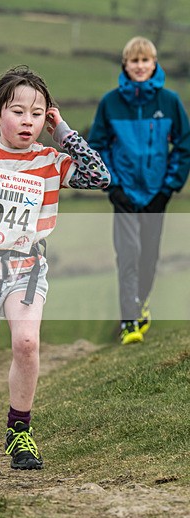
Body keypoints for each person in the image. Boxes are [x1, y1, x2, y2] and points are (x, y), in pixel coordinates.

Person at [0, 66, 110, 481]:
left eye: (37, 114)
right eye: (18, 111)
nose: (28, 121)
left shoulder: (50, 161)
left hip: (25, 270)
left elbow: (100, 176)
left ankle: (19, 430)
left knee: (27, 344)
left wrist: (63, 131)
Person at [87, 36, 190, 345]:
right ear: (125, 64)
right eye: (135, 60)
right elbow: (97, 147)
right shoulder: (110, 103)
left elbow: (183, 146)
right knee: (128, 255)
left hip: (157, 194)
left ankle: (141, 302)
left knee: (149, 256)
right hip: (124, 194)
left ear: (154, 64)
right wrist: (113, 185)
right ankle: (129, 321)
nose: (140, 66)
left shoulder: (169, 102)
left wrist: (168, 188)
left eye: (145, 60)